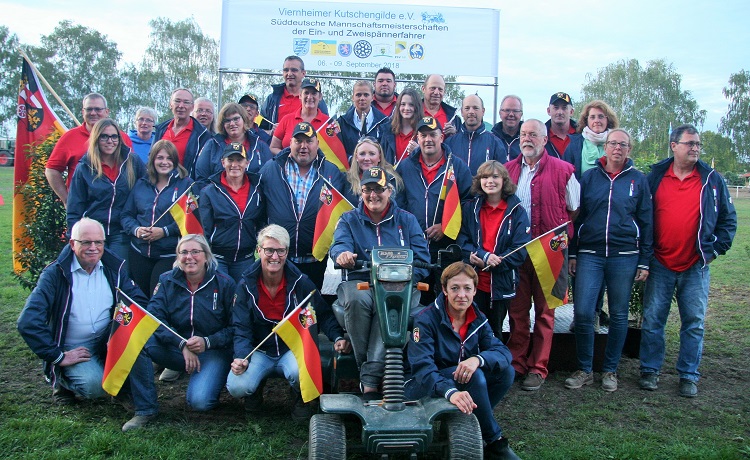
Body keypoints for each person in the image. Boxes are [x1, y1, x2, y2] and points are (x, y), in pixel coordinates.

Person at [17, 217, 158, 432]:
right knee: (93, 387)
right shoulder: (54, 275)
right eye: (86, 242)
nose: (93, 248)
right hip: (74, 347)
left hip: (106, 339)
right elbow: (28, 321)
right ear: (72, 244)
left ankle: (145, 409)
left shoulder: (114, 268)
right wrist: (58, 355)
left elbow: (138, 301)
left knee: (136, 339)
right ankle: (62, 383)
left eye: (98, 242)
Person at [639, 124, 737, 398]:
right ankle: (649, 370)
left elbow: (728, 220)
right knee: (653, 319)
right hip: (660, 262)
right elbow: (643, 216)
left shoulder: (712, 179)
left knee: (693, 322)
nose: (695, 148)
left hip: (695, 265)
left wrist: (714, 251)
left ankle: (688, 375)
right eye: (689, 143)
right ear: (674, 146)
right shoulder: (655, 177)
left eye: (697, 144)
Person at [227, 225, 348, 420]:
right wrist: (242, 357)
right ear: (259, 251)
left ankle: (299, 396)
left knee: (305, 374)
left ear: (287, 252)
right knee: (237, 385)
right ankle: (254, 392)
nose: (274, 256)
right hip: (260, 351)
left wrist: (336, 337)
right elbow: (241, 328)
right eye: (269, 250)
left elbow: (323, 314)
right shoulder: (245, 285)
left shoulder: (301, 282)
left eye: (280, 251)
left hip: (291, 350)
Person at [565, 129, 652, 392]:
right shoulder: (590, 177)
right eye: (613, 143)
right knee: (582, 312)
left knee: (618, 314)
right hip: (590, 254)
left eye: (622, 144)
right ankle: (584, 369)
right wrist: (572, 252)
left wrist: (645, 260)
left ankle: (610, 370)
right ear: (605, 147)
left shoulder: (638, 180)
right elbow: (577, 217)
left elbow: (647, 221)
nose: (617, 148)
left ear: (629, 149)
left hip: (624, 255)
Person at [330, 166, 429, 399]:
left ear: (390, 191)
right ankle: (371, 375)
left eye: (379, 189)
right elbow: (338, 245)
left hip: (402, 286)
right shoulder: (348, 219)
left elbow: (423, 259)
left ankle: (369, 381)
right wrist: (343, 254)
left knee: (389, 302)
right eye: (367, 190)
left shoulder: (407, 220)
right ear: (360, 191)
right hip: (360, 282)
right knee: (357, 299)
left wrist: (405, 278)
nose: (373, 195)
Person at [405, 262, 519, 460]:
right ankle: (494, 441)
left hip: (456, 379)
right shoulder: (425, 319)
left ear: (475, 290)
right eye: (455, 288)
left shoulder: (478, 318)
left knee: (506, 372)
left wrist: (478, 358)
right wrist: (450, 392)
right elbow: (422, 368)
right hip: (420, 385)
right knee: (474, 377)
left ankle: (469, 423)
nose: (461, 295)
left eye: (467, 288)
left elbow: (502, 352)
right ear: (444, 290)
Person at [504, 119, 579, 391]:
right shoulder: (508, 171)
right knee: (518, 313)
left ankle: (538, 368)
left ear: (544, 139)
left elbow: (574, 207)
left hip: (550, 253)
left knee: (546, 314)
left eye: (533, 134)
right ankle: (517, 363)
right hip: (517, 253)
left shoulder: (565, 171)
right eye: (524, 134)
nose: (527, 139)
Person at [146, 234, 235, 411]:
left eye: (195, 251)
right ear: (177, 256)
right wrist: (181, 344)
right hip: (177, 348)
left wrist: (207, 342)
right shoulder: (166, 280)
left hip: (212, 350)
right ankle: (144, 403)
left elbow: (235, 327)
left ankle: (213, 376)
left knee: (199, 403)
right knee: (140, 341)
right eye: (184, 252)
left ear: (207, 255)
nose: (189, 257)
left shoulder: (225, 283)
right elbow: (154, 318)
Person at [258, 122, 348, 290]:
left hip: (315, 260)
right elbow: (258, 208)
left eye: (309, 141)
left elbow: (342, 212)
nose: (303, 146)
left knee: (310, 310)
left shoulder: (331, 172)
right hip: (279, 258)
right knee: (281, 308)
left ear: (317, 143)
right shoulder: (272, 169)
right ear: (290, 143)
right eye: (298, 141)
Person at [395, 116, 472, 283]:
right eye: (423, 135)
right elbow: (398, 204)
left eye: (433, 135)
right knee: (415, 300)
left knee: (443, 298)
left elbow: (468, 204)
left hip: (447, 248)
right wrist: (411, 229)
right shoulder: (405, 167)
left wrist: (445, 226)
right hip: (413, 247)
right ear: (417, 138)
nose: (428, 139)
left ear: (441, 137)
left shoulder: (457, 167)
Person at [457, 161, 530, 338]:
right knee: (470, 330)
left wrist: (494, 262)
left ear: (504, 181)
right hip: (472, 283)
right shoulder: (470, 208)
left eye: (495, 176)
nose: (490, 181)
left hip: (501, 283)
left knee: (494, 332)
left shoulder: (517, 211)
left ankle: (493, 364)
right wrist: (484, 256)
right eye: (485, 177)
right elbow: (461, 240)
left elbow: (520, 250)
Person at [121, 139, 194, 297]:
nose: (164, 162)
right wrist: (136, 230)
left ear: (175, 161)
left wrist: (165, 231)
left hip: (168, 254)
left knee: (158, 297)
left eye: (169, 158)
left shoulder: (186, 185)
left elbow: (192, 221)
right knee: (140, 297)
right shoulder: (141, 184)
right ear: (152, 159)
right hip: (139, 252)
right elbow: (126, 215)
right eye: (160, 158)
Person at [67, 118, 146, 263]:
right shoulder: (84, 167)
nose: (110, 141)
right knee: (91, 274)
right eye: (104, 136)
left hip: (121, 232)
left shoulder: (132, 162)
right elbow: (74, 206)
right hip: (92, 234)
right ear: (96, 138)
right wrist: (74, 236)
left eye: (114, 136)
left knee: (118, 275)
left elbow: (148, 186)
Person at [45, 93, 132, 205]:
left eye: (98, 109)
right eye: (89, 109)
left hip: (117, 208)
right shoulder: (69, 138)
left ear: (106, 112)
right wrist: (67, 199)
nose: (93, 113)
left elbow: (131, 168)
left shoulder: (122, 137)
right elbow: (52, 170)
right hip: (82, 207)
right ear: (83, 112)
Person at [199, 142, 264, 283]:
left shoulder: (257, 189)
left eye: (239, 160)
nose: (235, 165)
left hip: (245, 258)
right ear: (223, 162)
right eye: (230, 160)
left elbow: (261, 221)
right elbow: (205, 228)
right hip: (218, 258)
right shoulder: (209, 192)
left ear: (247, 163)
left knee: (241, 299)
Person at [194, 102, 272, 188]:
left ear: (244, 119)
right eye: (227, 120)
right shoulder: (212, 145)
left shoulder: (260, 146)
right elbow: (201, 180)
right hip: (219, 199)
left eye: (236, 119)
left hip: (253, 199)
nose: (232, 123)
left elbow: (269, 178)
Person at [260, 55, 328, 131]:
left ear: (303, 73)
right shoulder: (272, 99)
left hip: (306, 142)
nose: (289, 73)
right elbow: (258, 130)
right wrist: (271, 132)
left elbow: (325, 130)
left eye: (294, 70)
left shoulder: (314, 100)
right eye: (286, 70)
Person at [153, 88, 211, 177]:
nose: (181, 105)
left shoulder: (202, 135)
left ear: (192, 107)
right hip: (159, 185)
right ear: (170, 104)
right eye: (177, 101)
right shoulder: (160, 130)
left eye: (186, 102)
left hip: (185, 187)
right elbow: (151, 158)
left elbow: (203, 168)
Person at [446, 95, 508, 175]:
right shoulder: (450, 143)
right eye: (467, 108)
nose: (471, 112)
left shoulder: (495, 143)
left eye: (475, 108)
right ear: (462, 112)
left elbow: (502, 176)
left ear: (483, 111)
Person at [563, 100, 620, 180]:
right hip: (582, 192)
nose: (597, 121)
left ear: (608, 119)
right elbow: (565, 175)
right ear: (586, 120)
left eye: (601, 116)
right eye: (592, 117)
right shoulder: (575, 144)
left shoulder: (617, 143)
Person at [270, 78, 328, 155]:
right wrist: (289, 157)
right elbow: (273, 147)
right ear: (300, 95)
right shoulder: (287, 119)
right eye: (306, 93)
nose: (310, 97)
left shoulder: (328, 123)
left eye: (314, 93)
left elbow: (336, 153)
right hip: (288, 166)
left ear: (320, 97)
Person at [337, 80, 392, 158]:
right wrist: (351, 160)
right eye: (358, 95)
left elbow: (387, 151)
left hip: (377, 168)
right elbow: (338, 150)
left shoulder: (384, 122)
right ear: (352, 97)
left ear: (372, 97)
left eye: (366, 95)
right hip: (350, 168)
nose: (362, 98)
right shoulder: (342, 122)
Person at [345, 137, 403, 202]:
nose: (366, 158)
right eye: (362, 154)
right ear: (356, 157)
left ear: (379, 157)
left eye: (372, 154)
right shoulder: (347, 180)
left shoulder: (392, 180)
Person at [381, 87, 423, 164]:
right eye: (403, 104)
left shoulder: (423, 131)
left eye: (411, 105)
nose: (406, 108)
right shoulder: (388, 131)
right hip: (391, 175)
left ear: (417, 107)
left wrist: (419, 151)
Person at [491, 95, 523, 162]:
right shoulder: (491, 140)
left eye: (515, 111)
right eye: (507, 110)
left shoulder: (528, 140)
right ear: (500, 113)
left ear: (521, 114)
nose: (511, 114)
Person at [545, 92, 577, 159]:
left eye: (564, 108)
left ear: (571, 112)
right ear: (548, 111)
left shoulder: (582, 135)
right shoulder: (541, 136)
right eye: (556, 108)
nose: (560, 112)